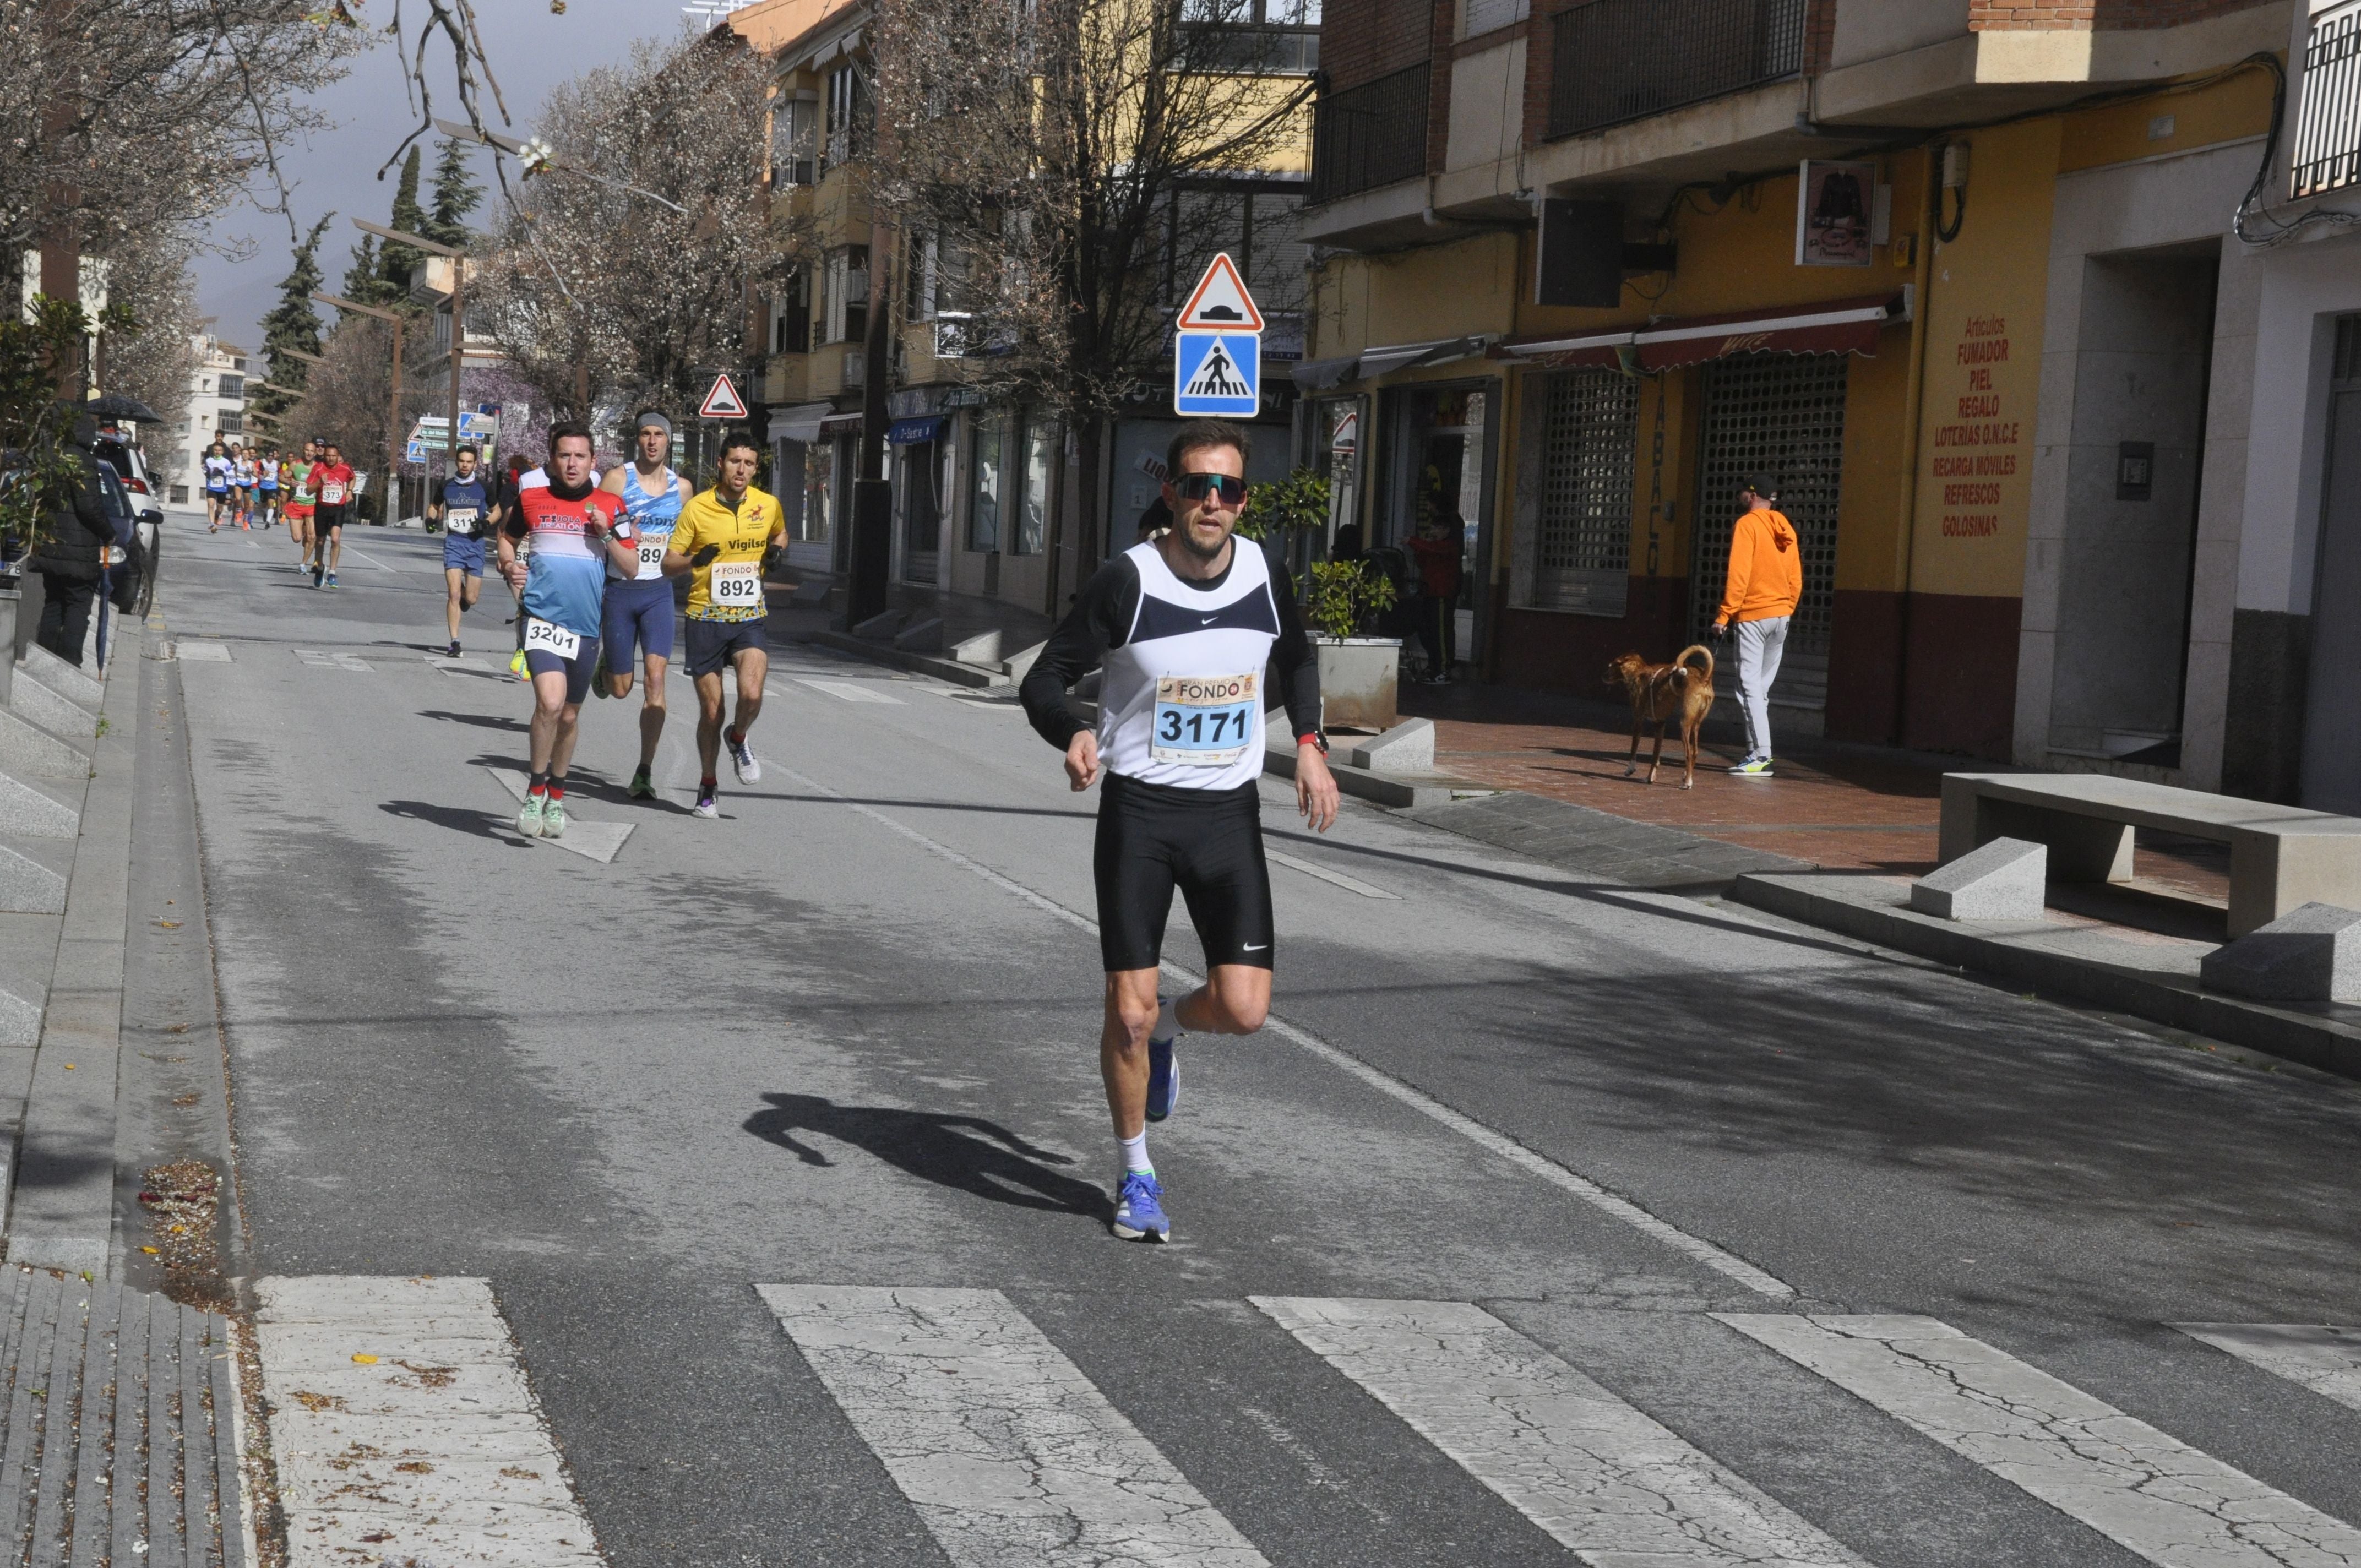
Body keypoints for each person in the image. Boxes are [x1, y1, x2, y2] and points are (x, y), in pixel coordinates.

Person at [1018, 418, 1338, 1244]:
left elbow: (1297, 659)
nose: (1212, 503)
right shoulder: (1127, 581)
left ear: (1242, 500)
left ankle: (1170, 1029)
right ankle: (1136, 1173)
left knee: (1244, 1009)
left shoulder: (1266, 572)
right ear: (1172, 491)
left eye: (1227, 489)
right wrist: (1074, 731)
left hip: (1228, 817)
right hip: (1142, 815)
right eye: (1197, 485)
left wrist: (1308, 746)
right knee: (1124, 1009)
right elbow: (1045, 676)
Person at [499, 424, 637, 839]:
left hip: (586, 625)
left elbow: (630, 567)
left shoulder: (612, 505)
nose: (572, 464)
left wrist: (606, 532)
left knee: (570, 715)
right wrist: (510, 567)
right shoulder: (532, 499)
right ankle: (534, 790)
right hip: (541, 619)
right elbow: (506, 541)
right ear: (552, 461)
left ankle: (556, 797)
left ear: (594, 462)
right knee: (550, 703)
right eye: (564, 456)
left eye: (580, 456)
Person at [662, 430, 783, 819]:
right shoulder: (697, 508)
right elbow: (668, 563)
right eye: (735, 462)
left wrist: (778, 551)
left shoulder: (767, 504)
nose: (741, 470)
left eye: (749, 464)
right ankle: (708, 786)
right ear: (721, 463)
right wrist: (697, 559)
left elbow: (780, 532)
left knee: (751, 695)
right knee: (712, 711)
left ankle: (739, 737)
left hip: (749, 617)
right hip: (705, 617)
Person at [600, 411, 693, 798]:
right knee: (620, 689)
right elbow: (596, 525)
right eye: (645, 434)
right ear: (637, 440)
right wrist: (621, 528)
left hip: (658, 592)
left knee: (656, 681)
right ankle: (606, 668)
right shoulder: (618, 479)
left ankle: (644, 771)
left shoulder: (683, 488)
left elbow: (688, 537)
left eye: (659, 435)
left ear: (668, 441)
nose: (652, 441)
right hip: (620, 591)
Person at [1710, 476, 1801, 778]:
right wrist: (1787, 607)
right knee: (1760, 689)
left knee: (1748, 687)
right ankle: (1755, 752)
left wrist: (1724, 615)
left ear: (1751, 496)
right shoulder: (1785, 527)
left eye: (1741, 492)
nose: (1738, 496)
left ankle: (1762, 755)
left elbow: (1740, 574)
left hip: (1753, 615)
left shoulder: (1747, 526)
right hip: (1781, 616)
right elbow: (1795, 577)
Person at [32, 412, 119, 667]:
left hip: (51, 543)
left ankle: (43, 657)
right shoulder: (83, 459)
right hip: (79, 547)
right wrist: (108, 532)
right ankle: (70, 661)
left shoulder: (47, 455)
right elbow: (89, 507)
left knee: (54, 600)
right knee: (78, 603)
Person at [429, 445, 492, 657]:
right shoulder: (446, 486)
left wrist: (486, 522)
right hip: (454, 543)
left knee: (471, 599)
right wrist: (431, 520)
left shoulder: (484, 486)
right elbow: (434, 506)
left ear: (475, 463)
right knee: (453, 594)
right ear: (457, 462)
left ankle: (467, 595)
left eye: (469, 462)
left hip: (475, 544)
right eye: (462, 461)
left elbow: (499, 510)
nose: (465, 465)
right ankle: (455, 641)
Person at [1406, 509, 1464, 684]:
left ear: (1446, 530)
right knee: (1428, 631)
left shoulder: (1449, 546)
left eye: (1437, 528)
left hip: (1442, 595)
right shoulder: (1435, 547)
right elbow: (1423, 561)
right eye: (1432, 527)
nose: (1433, 531)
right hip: (1430, 592)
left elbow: (1432, 549)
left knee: (1441, 633)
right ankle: (1434, 665)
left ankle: (1444, 669)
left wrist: (1413, 541)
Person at [308, 442, 355, 588]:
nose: (330, 458)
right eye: (328, 455)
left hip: (338, 509)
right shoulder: (318, 468)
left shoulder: (345, 468)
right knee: (320, 541)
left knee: (335, 539)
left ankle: (333, 573)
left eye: (334, 456)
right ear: (324, 456)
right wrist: (319, 483)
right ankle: (320, 568)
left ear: (338, 456)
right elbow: (309, 490)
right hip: (322, 508)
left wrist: (349, 491)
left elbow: (352, 478)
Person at [284, 439, 318, 572]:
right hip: (297, 505)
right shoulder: (295, 465)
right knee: (297, 539)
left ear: (315, 453)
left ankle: (303, 564)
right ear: (303, 451)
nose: (309, 453)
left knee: (312, 537)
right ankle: (303, 534)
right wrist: (288, 482)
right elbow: (282, 477)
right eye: (307, 450)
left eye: (312, 451)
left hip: (312, 506)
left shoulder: (318, 467)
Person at [202, 442, 231, 532]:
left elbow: (232, 474)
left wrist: (223, 472)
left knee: (220, 508)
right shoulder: (209, 460)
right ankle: (212, 524)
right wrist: (208, 472)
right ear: (213, 451)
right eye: (215, 450)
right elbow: (205, 470)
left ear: (222, 452)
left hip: (222, 487)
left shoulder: (226, 462)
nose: (217, 452)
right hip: (211, 486)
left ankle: (217, 515)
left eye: (219, 450)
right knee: (211, 505)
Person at [255, 450, 280, 529]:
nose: (270, 457)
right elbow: (256, 470)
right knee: (262, 505)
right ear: (266, 456)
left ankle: (268, 522)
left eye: (272, 456)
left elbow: (279, 473)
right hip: (263, 486)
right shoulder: (262, 461)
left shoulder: (276, 463)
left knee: (271, 503)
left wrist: (279, 482)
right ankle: (266, 514)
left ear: (274, 457)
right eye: (269, 455)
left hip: (273, 487)